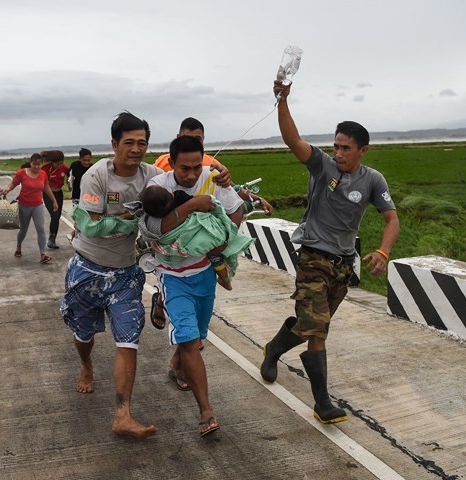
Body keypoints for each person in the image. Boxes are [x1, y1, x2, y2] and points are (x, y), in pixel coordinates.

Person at [260, 80, 400, 424]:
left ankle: (274, 349)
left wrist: (383, 252)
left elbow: (392, 219)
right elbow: (293, 140)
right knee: (318, 331)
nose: (338, 153)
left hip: (343, 263)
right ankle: (323, 402)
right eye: (335, 146)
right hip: (313, 259)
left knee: (312, 325)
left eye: (345, 148)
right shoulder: (323, 167)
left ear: (362, 150)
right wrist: (282, 101)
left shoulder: (373, 180)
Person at [60, 111, 162, 439]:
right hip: (88, 268)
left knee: (128, 341)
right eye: (129, 143)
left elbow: (184, 188)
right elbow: (89, 224)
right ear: (114, 144)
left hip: (126, 273)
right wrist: (133, 223)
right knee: (83, 335)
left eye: (142, 143)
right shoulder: (96, 176)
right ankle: (87, 365)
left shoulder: (153, 176)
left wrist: (218, 177)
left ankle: (123, 414)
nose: (136, 149)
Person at [144, 135, 245, 437]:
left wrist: (222, 241)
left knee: (197, 337)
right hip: (173, 276)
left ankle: (177, 364)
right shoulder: (157, 187)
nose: (190, 175)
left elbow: (236, 211)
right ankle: (206, 411)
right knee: (189, 339)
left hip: (203, 273)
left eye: (195, 167)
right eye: (183, 168)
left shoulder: (214, 180)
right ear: (171, 163)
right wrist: (193, 206)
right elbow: (153, 227)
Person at [149, 117, 274, 332]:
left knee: (217, 262)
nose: (191, 174)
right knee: (178, 299)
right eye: (188, 138)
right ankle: (161, 301)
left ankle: (221, 281)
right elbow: (153, 201)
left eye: (198, 139)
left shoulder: (212, 167)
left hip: (205, 239)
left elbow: (231, 190)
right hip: (175, 239)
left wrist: (252, 198)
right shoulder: (161, 168)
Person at [139, 184, 249, 292]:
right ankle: (225, 280)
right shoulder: (179, 196)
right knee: (216, 253)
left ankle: (225, 280)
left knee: (214, 253)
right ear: (170, 194)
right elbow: (204, 206)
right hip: (200, 233)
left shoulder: (153, 219)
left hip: (182, 247)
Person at [0, 153, 58, 265]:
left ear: (42, 164)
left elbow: (46, 187)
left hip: (38, 205)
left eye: (39, 164)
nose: (36, 167)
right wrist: (7, 190)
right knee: (23, 229)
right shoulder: (22, 173)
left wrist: (54, 201)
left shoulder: (43, 174)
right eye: (34, 164)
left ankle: (42, 254)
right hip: (24, 205)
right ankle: (19, 246)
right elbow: (13, 183)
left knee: (40, 228)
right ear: (30, 163)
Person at [41, 149, 69, 249]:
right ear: (52, 162)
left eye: (61, 163)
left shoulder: (64, 168)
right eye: (57, 163)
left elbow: (71, 176)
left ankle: (52, 239)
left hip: (59, 193)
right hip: (48, 194)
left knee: (57, 217)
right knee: (55, 215)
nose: (59, 165)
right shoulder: (45, 169)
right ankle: (51, 239)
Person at [65, 148, 93, 243]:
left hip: (89, 197)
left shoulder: (93, 168)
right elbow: (69, 181)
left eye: (88, 160)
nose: (86, 162)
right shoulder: (74, 166)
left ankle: (74, 235)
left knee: (88, 218)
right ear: (79, 159)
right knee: (78, 217)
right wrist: (70, 181)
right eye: (84, 160)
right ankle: (75, 235)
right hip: (77, 195)